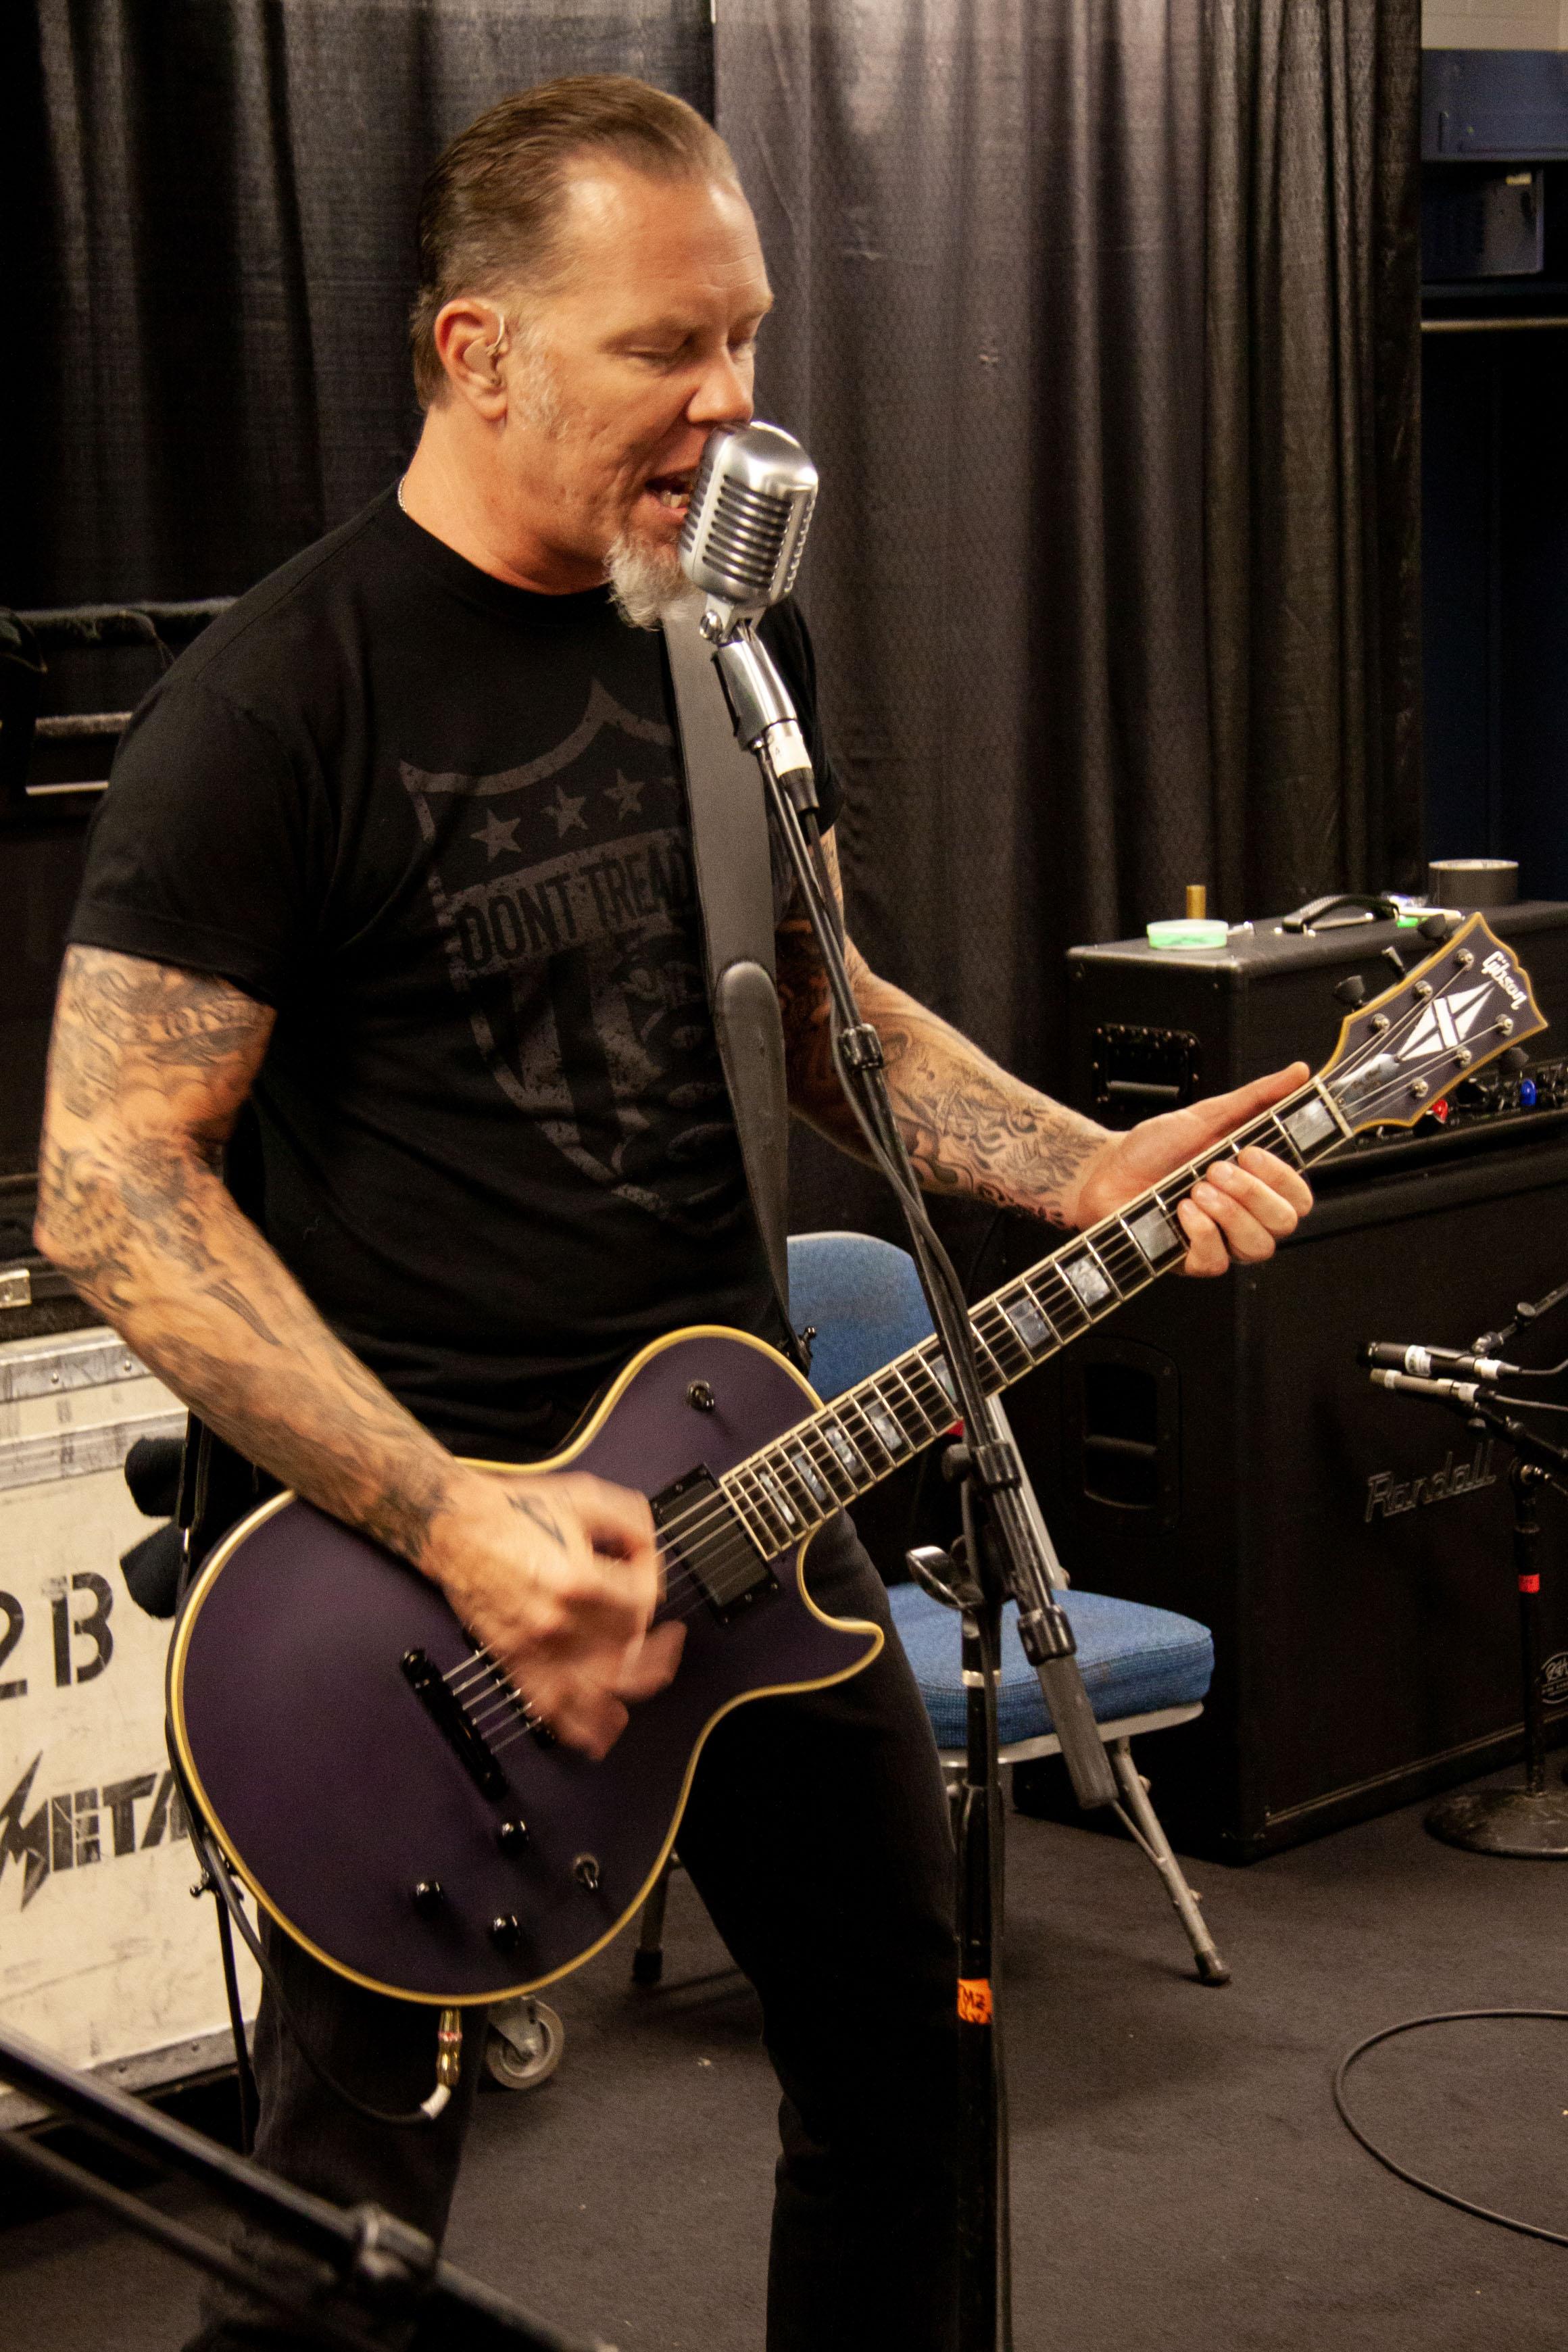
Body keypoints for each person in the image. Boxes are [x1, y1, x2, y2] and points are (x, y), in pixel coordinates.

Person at [35, 76, 1313, 2352]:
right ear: (479, 350)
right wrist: (452, 1520)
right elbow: (112, 1184)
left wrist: (1086, 1162)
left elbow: (824, 1014)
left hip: (748, 1493)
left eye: (747, 339)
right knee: (343, 2245)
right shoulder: (276, 701)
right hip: (403, 1594)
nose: (731, 403)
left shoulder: (723, 643)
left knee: (908, 2081)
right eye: (666, 347)